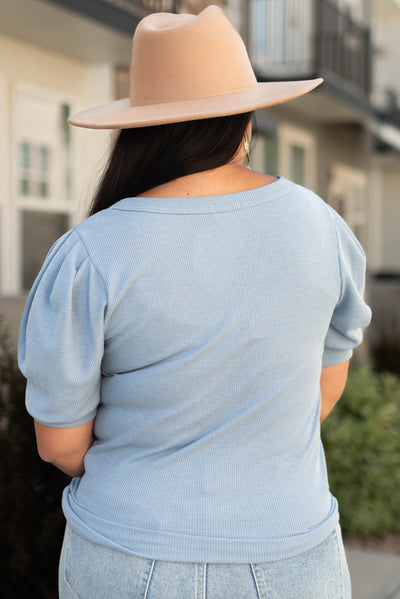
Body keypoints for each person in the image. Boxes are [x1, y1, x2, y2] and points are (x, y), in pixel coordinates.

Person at [18, 5, 371, 598]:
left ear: (140, 127)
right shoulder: (323, 227)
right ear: (246, 122)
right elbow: (324, 387)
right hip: (292, 554)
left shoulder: (90, 251)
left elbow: (60, 444)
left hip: (128, 556)